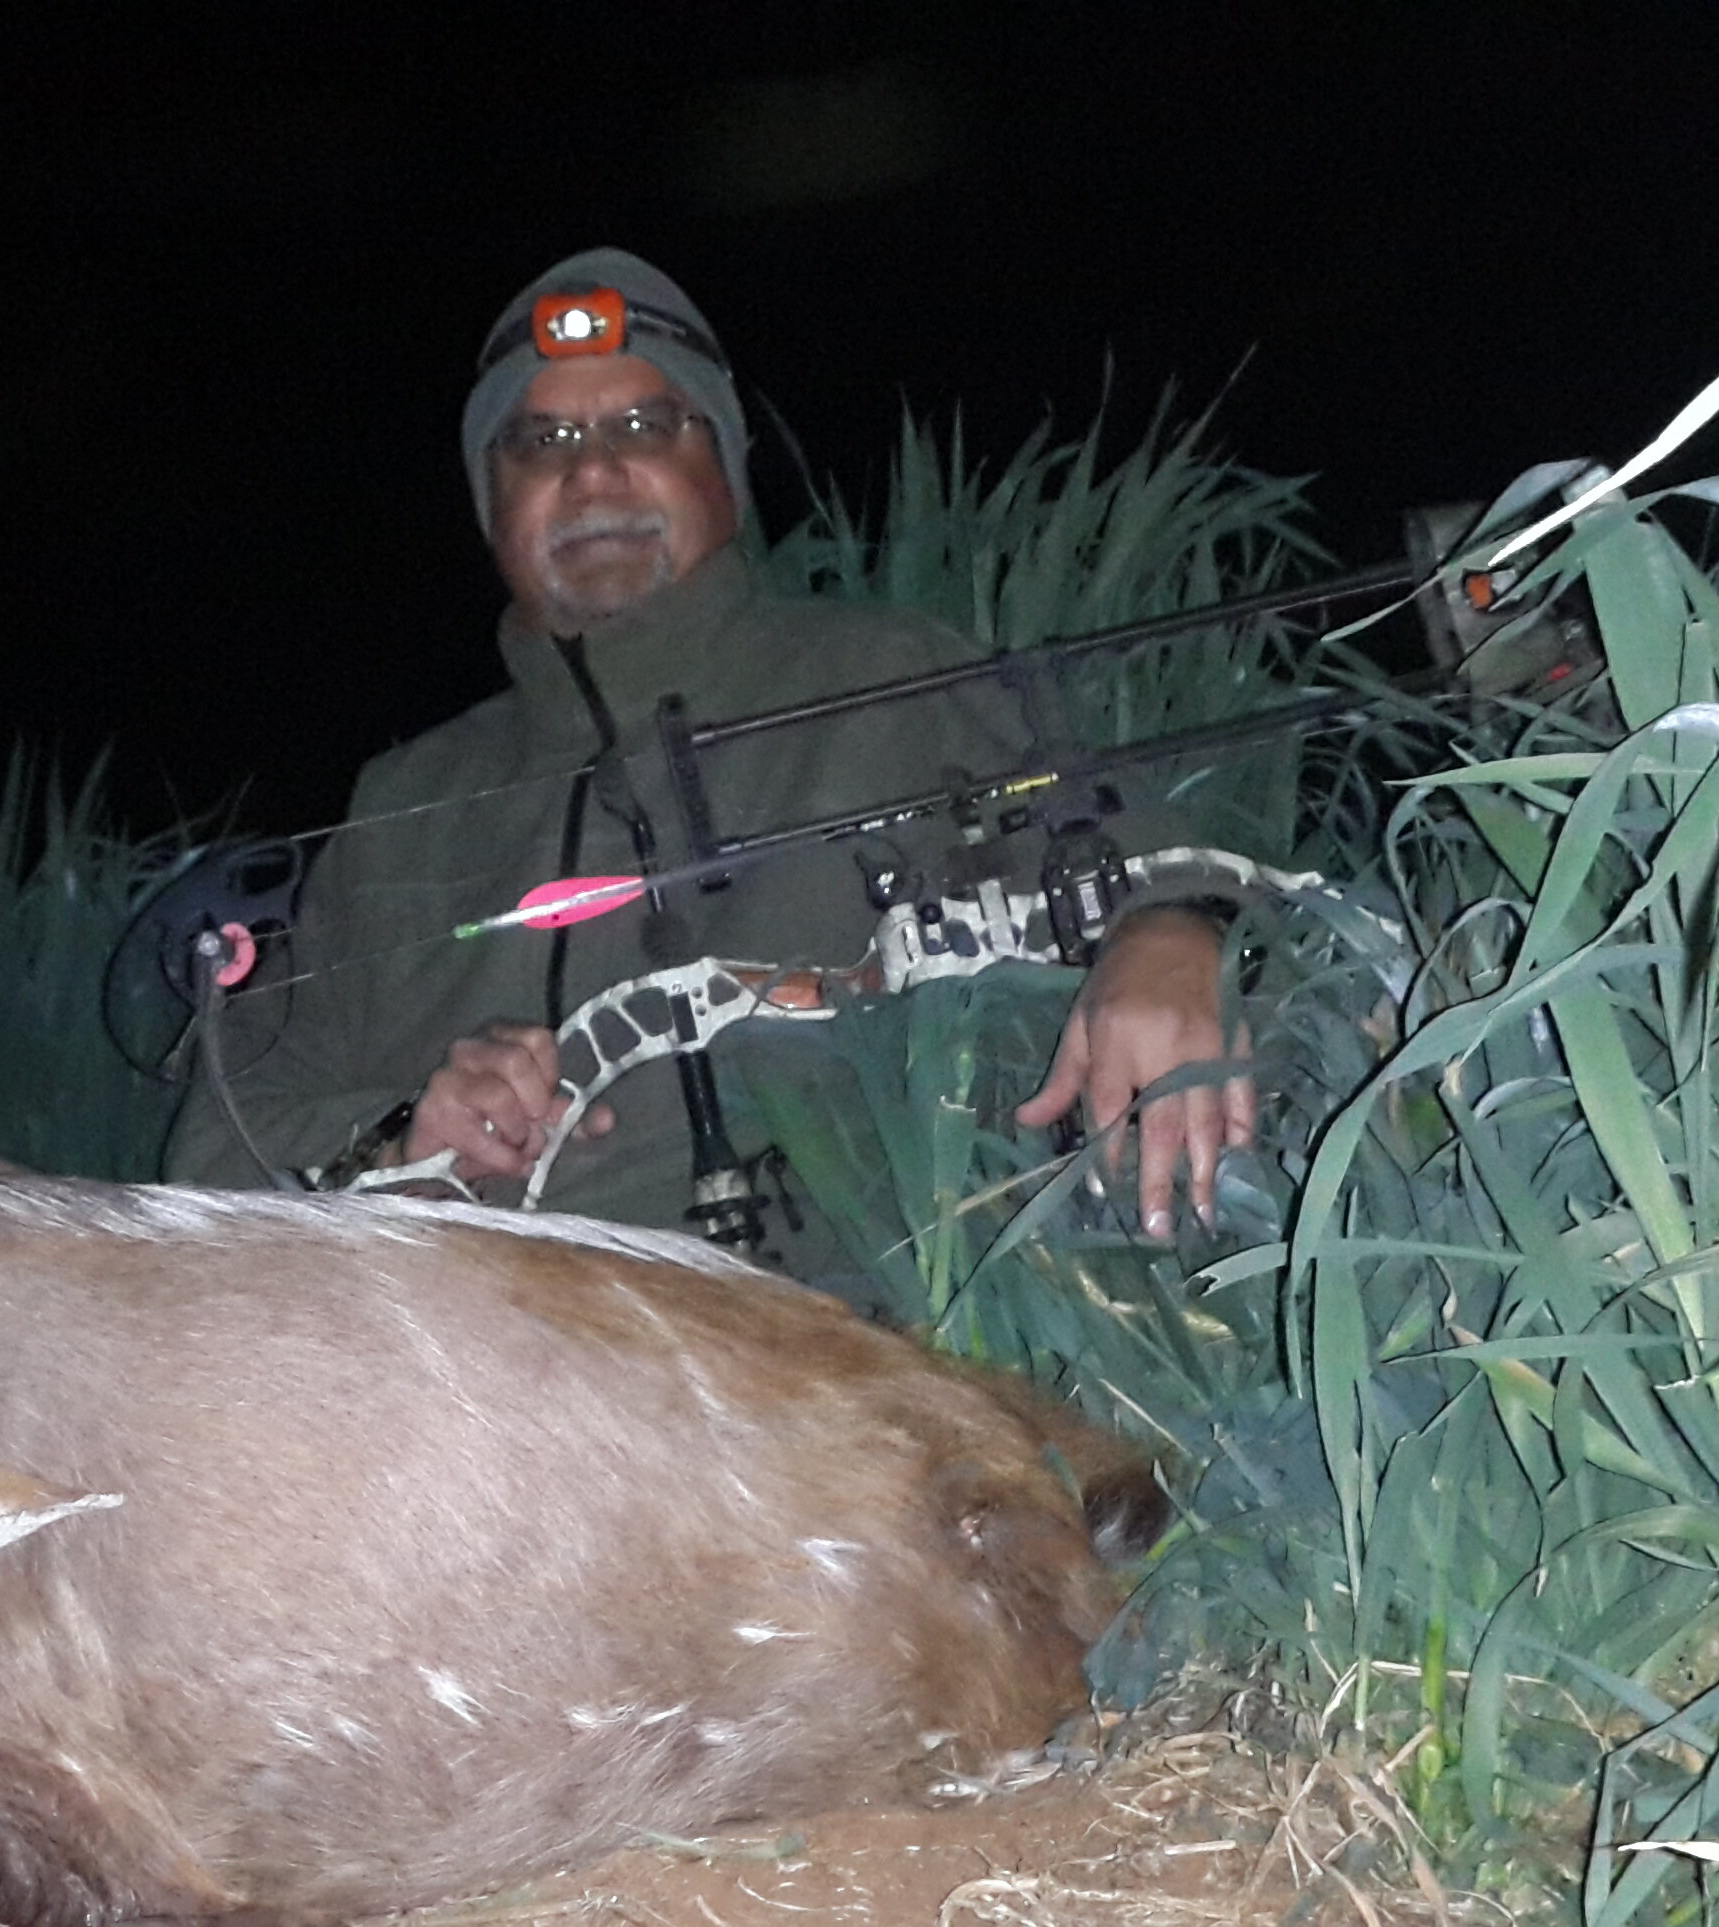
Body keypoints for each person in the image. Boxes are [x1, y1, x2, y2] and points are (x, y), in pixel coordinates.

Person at [165, 248, 1276, 1264]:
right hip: (471, 1359)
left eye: (647, 429)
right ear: (489, 501)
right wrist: (399, 1133)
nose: (592, 475)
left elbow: (1142, 849)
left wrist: (1171, 937)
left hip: (844, 1340)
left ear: (727, 474)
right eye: (539, 444)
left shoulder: (892, 677)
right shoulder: (404, 797)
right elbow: (219, 1137)